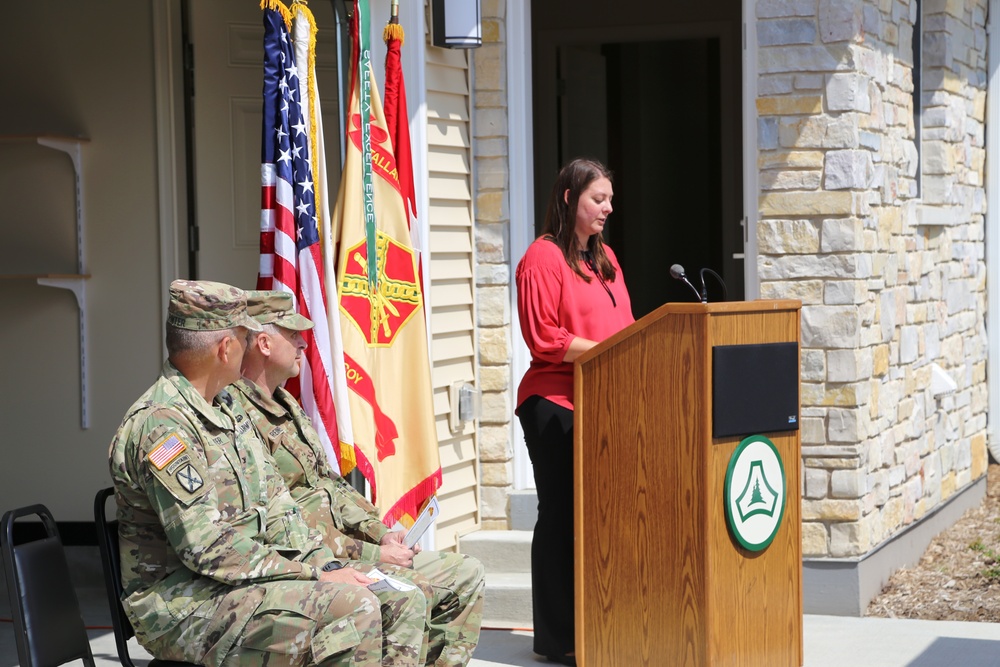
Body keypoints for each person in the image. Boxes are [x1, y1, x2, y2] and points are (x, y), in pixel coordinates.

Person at [108, 279, 427, 666]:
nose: (250, 346)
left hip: (244, 581)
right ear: (226, 348)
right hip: (184, 605)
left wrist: (328, 563)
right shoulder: (163, 427)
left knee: (399, 594)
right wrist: (314, 575)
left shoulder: (226, 406)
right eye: (246, 337)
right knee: (354, 608)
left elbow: (278, 507)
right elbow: (207, 549)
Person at [231, 290, 486, 667]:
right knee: (410, 592)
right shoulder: (236, 419)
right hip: (315, 559)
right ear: (264, 343)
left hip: (351, 547)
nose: (304, 342)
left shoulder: (287, 406)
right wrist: (375, 554)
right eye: (293, 333)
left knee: (467, 573)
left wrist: (381, 531)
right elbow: (284, 522)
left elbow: (331, 486)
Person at [514, 159, 635, 666]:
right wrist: (606, 354)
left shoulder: (605, 261)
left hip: (603, 405)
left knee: (603, 519)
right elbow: (544, 337)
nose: (607, 208)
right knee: (562, 516)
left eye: (609, 199)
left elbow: (628, 330)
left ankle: (601, 623)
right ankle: (559, 637)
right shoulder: (543, 258)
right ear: (569, 199)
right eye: (597, 199)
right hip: (555, 403)